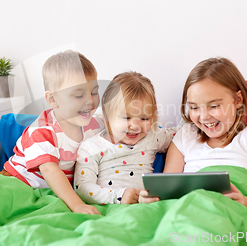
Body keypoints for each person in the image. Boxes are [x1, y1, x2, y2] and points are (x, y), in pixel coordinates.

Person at [163, 57, 247, 211]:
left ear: (238, 100)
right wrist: (151, 199)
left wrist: (245, 203)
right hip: (187, 209)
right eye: (194, 108)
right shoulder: (185, 135)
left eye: (214, 106)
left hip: (228, 211)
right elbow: (166, 190)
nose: (204, 116)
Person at [1, 50, 104, 214]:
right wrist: (78, 205)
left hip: (51, 191)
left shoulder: (96, 125)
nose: (90, 102)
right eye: (79, 95)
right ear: (53, 100)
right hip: (18, 183)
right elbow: (50, 170)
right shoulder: (41, 131)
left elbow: (121, 127)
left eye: (94, 92)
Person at [74, 72, 176, 205]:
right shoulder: (91, 147)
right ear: (107, 116)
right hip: (110, 207)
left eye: (144, 118)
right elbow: (82, 187)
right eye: (127, 117)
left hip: (145, 207)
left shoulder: (152, 137)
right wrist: (119, 196)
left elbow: (181, 133)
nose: (135, 126)